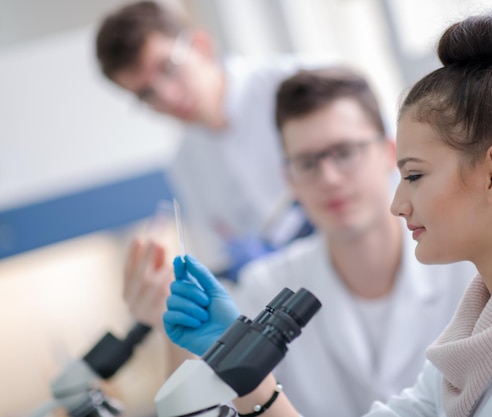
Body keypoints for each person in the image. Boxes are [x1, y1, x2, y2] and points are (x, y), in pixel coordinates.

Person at [163, 11, 492, 417]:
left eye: (416, 176)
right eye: (307, 162)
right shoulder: (467, 348)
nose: (396, 204)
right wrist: (247, 371)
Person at [163, 66, 475, 416]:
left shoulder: (464, 269)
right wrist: (180, 340)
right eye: (307, 163)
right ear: (289, 179)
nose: (328, 178)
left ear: (390, 153)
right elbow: (205, 409)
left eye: (344, 153)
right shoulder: (265, 286)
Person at [95, 0, 322, 287]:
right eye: (146, 94)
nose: (167, 96)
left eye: (168, 68)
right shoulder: (186, 165)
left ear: (200, 45)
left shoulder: (300, 84)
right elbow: (223, 257)